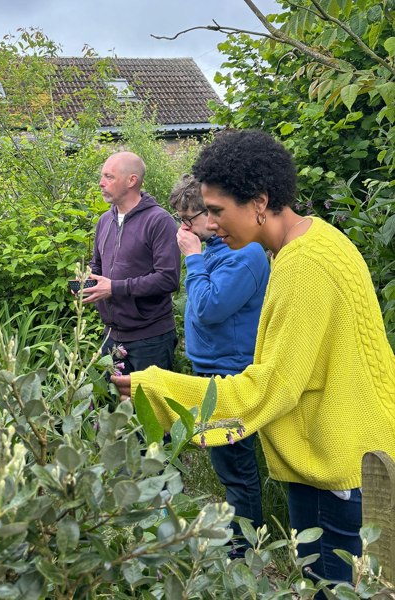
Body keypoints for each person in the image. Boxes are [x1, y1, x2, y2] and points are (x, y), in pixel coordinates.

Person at [112, 129, 395, 583]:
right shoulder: (323, 240)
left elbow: (270, 387)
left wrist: (158, 388)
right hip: (365, 452)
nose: (212, 224)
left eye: (219, 211)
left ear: (260, 202)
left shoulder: (302, 268)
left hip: (336, 471)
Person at [170, 174, 270, 554]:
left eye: (188, 218)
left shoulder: (243, 254)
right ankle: (240, 539)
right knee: (225, 460)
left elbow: (210, 309)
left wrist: (192, 258)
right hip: (210, 366)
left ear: (211, 214)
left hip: (231, 369)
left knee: (237, 463)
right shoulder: (213, 249)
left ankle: (245, 549)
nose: (185, 227)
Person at [83, 151, 181, 374]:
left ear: (132, 181)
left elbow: (168, 279)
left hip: (151, 338)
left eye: (109, 177)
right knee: (115, 406)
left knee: (149, 408)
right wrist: (88, 284)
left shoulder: (159, 221)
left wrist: (114, 288)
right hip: (112, 336)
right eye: (102, 176)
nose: (101, 183)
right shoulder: (104, 221)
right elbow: (97, 265)